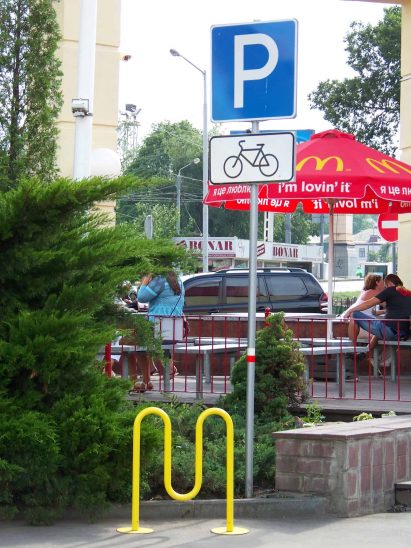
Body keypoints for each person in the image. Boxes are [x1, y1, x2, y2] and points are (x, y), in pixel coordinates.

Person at [342, 274, 411, 363]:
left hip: (389, 331)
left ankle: (352, 349)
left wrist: (349, 310)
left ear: (389, 284)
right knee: (380, 328)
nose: (385, 287)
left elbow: (368, 304)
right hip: (402, 334)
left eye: (385, 285)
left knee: (354, 314)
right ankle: (365, 353)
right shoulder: (408, 293)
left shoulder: (390, 290)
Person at [134, 271, 185, 391]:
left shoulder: (159, 281)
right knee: (152, 345)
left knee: (136, 344)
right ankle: (160, 368)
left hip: (158, 326)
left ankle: (146, 380)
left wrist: (145, 282)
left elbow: (141, 298)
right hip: (174, 329)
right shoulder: (178, 280)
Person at [346, 274, 384, 342]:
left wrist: (384, 311)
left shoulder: (365, 292)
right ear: (377, 283)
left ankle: (366, 349)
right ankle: (367, 348)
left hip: (358, 324)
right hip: (363, 325)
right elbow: (387, 304)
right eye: (382, 281)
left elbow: (371, 312)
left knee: (382, 330)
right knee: (383, 331)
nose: (384, 283)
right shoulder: (374, 292)